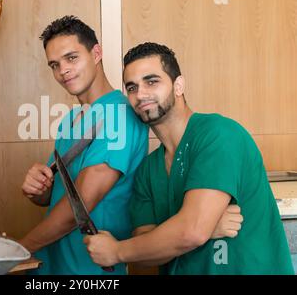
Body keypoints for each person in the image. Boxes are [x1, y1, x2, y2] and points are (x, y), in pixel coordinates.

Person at [84, 42, 295, 275]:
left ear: (178, 85)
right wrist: (196, 227)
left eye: (152, 81)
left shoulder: (219, 135)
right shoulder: (148, 170)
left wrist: (117, 251)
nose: (140, 94)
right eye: (132, 87)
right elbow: (145, 253)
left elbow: (191, 231)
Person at [18, 15, 148, 274]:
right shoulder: (71, 120)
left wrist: (17, 249)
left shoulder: (118, 116)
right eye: (54, 64)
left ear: (96, 53)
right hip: (51, 266)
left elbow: (82, 203)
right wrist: (38, 189)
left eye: (71, 58)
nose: (62, 70)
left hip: (89, 271)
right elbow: (55, 197)